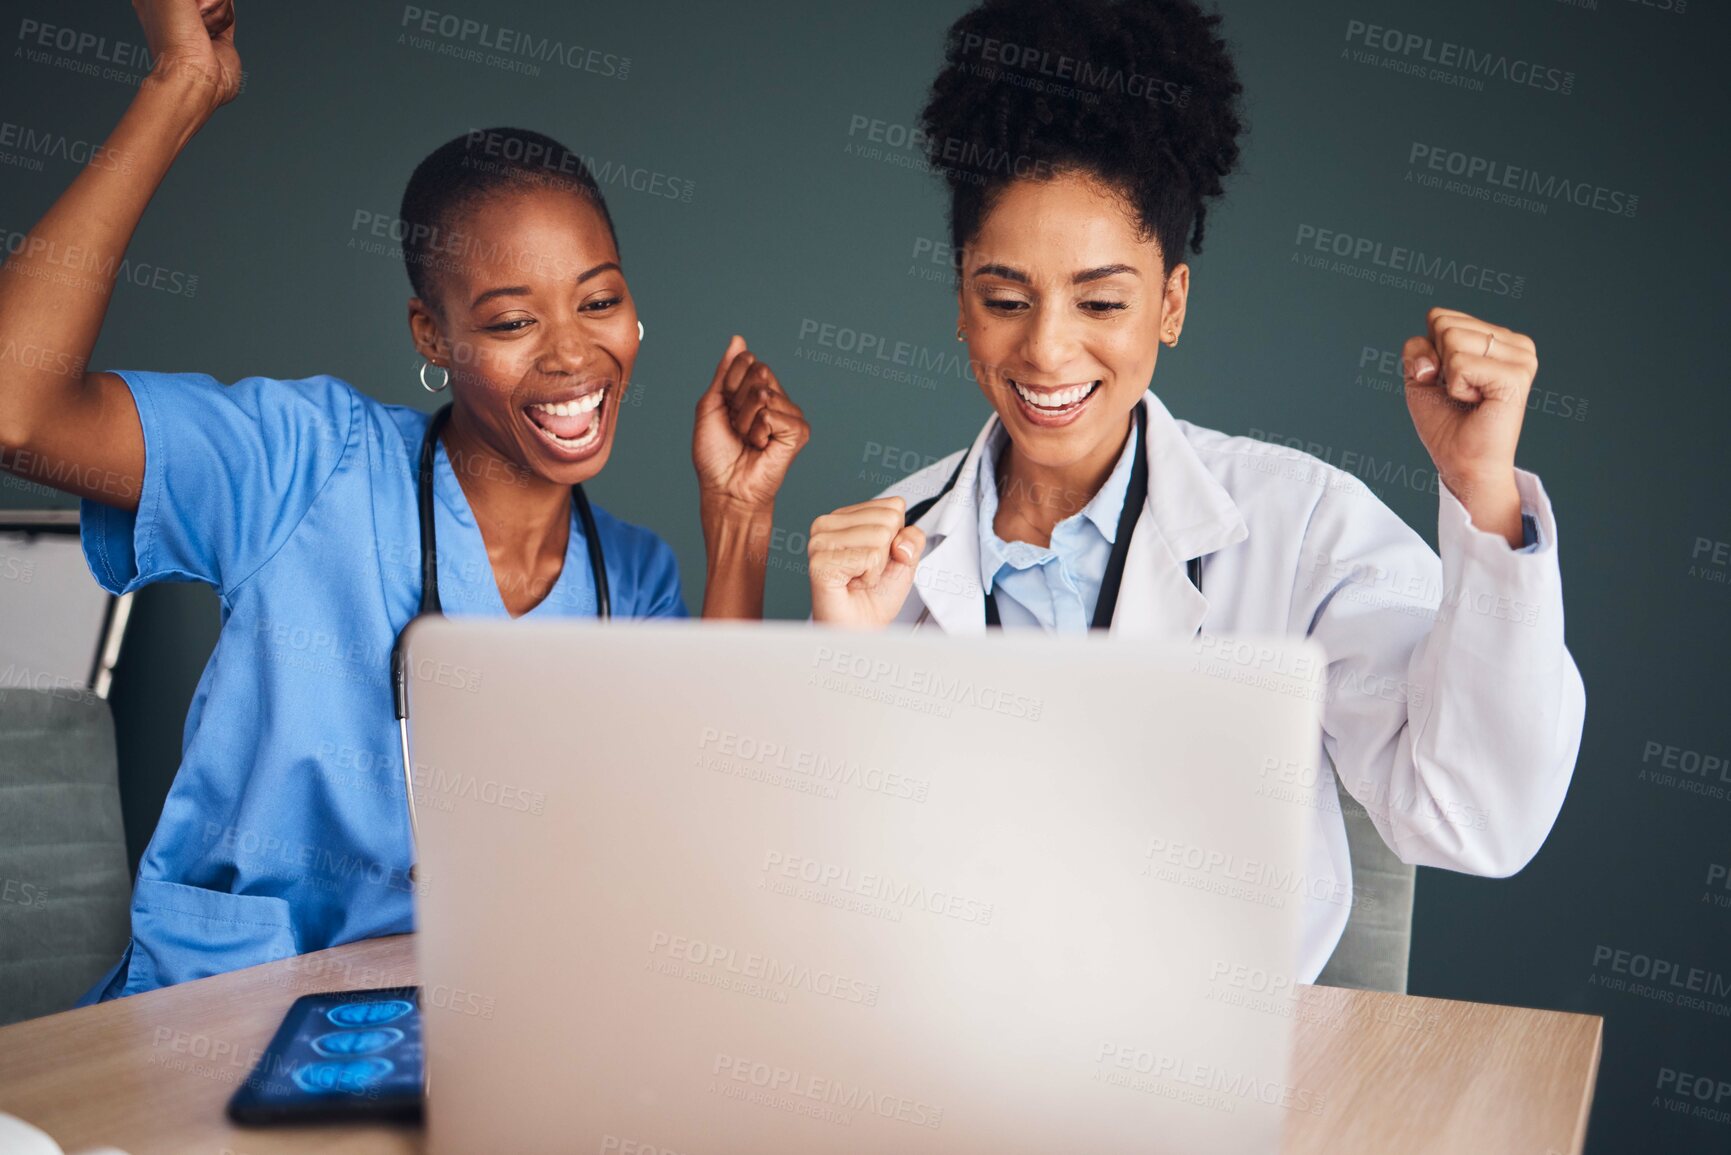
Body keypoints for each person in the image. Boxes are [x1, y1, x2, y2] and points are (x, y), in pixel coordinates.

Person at [0, 0, 808, 1000]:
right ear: (433, 336)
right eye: (511, 320)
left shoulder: (626, 579)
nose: (570, 354)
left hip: (473, 1032)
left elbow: (694, 851)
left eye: (599, 300)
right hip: (215, 1021)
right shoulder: (302, 462)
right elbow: (16, 409)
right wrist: (181, 87)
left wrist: (736, 519)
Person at [805, 0, 1585, 981]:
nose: (1047, 349)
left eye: (1102, 302)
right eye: (1006, 300)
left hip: (1220, 1081)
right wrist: (840, 672)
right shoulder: (884, 559)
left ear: (1170, 303)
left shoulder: (1299, 530)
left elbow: (1478, 817)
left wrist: (1483, 494)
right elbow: (829, 914)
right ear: (960, 297)